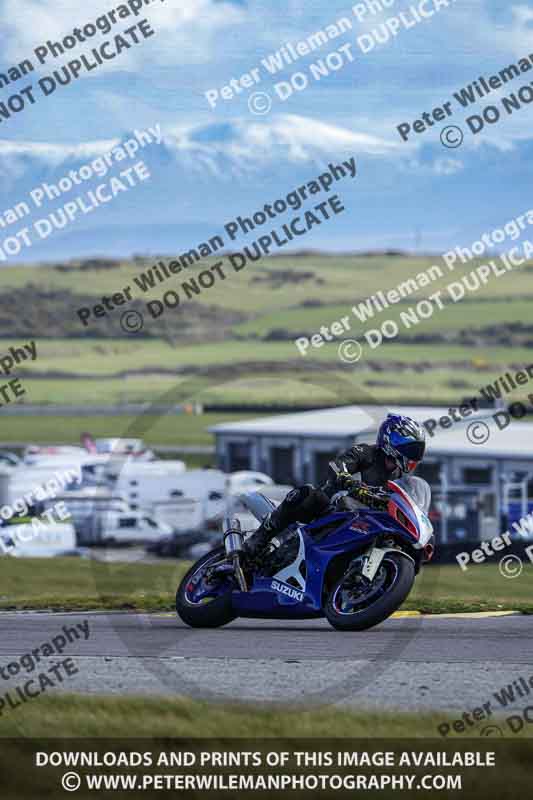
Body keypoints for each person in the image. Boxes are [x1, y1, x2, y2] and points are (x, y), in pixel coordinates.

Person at [243, 413, 426, 561]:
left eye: (418, 449)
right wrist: (348, 480)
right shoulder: (366, 452)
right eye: (411, 449)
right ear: (391, 441)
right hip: (329, 508)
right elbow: (337, 465)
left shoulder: (397, 477)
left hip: (362, 521)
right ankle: (259, 539)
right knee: (307, 493)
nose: (415, 454)